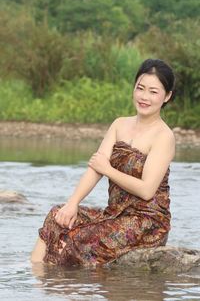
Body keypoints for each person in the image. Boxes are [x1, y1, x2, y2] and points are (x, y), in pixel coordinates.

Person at [31, 58, 176, 266]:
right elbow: (95, 168)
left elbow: (146, 190)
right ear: (134, 88)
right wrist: (72, 204)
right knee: (57, 216)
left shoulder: (164, 136)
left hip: (146, 222)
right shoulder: (119, 124)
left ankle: (60, 285)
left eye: (153, 92)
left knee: (77, 238)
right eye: (140, 88)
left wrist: (108, 170)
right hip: (114, 213)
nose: (144, 97)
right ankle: (35, 278)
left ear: (167, 96)